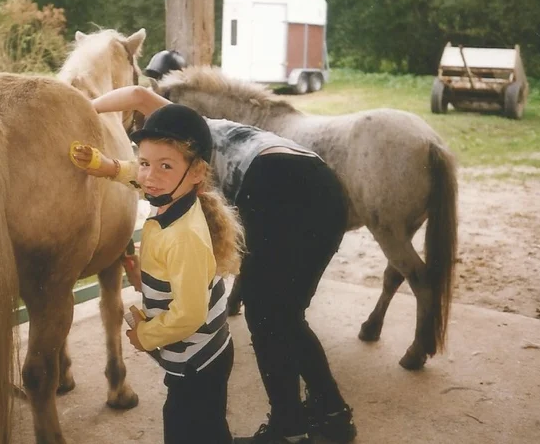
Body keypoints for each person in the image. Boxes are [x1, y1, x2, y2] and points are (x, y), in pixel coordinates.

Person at [90, 51, 358, 443]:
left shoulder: (182, 141)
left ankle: (291, 426)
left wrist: (79, 105)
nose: (149, 167)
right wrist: (110, 165)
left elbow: (148, 138)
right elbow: (142, 118)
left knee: (269, 317)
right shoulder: (191, 129)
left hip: (278, 183)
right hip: (320, 184)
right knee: (283, 315)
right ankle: (329, 414)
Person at [71, 103, 244, 444]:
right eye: (145, 162)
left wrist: (145, 336)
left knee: (187, 430)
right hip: (199, 355)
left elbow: (190, 314)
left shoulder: (185, 236)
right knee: (208, 429)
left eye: (165, 165)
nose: (150, 175)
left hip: (198, 361)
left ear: (196, 172)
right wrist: (106, 166)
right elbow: (139, 177)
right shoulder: (171, 197)